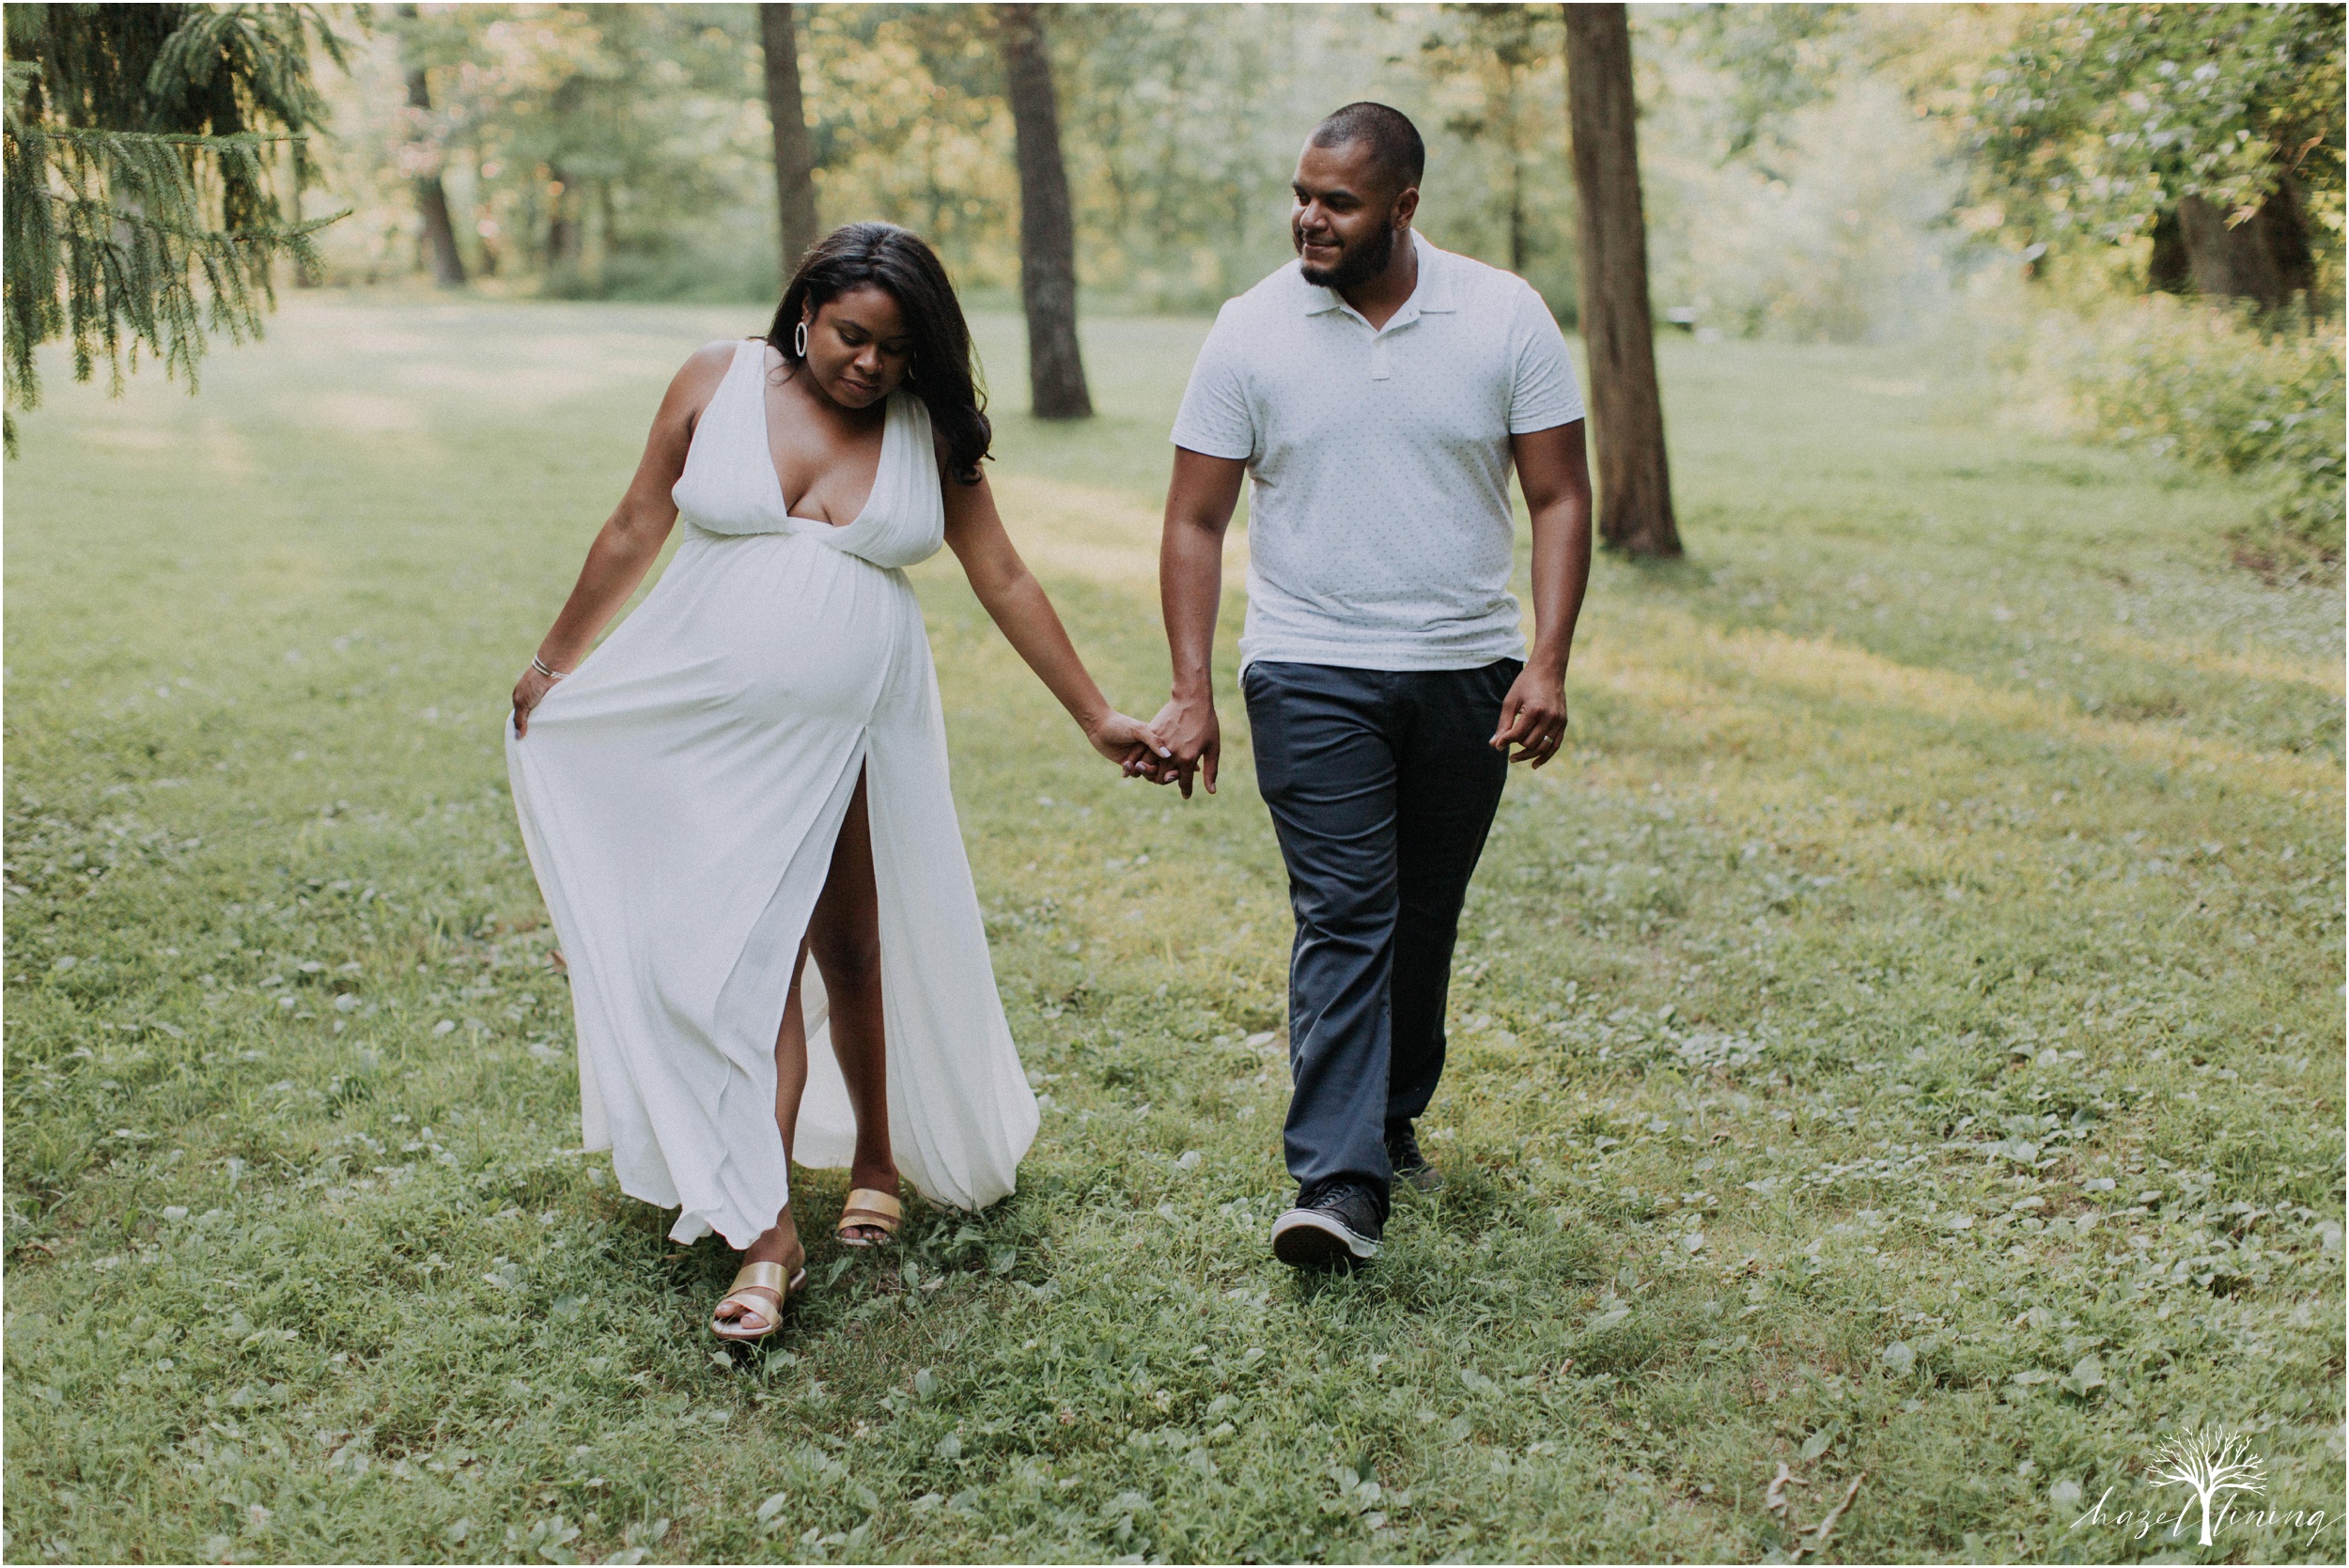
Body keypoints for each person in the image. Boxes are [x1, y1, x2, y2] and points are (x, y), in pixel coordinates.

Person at [506, 223, 1166, 1341]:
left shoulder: (927, 430)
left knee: (850, 944)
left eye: (896, 349)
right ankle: (766, 1232)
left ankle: (876, 1153)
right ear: (804, 308)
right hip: (700, 716)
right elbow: (634, 523)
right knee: (739, 966)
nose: (867, 364)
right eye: (851, 336)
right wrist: (553, 661)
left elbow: (998, 571)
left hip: (855, 724)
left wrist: (1096, 712)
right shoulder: (715, 381)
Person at [1149, 103, 1595, 1269]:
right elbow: (1196, 518)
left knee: (1422, 912)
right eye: (1301, 193)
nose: (1309, 217)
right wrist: (1191, 689)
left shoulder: (1502, 315)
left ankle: (1389, 1118)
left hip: (1467, 670)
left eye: (1337, 201)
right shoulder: (1251, 329)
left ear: (1403, 206)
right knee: (1346, 910)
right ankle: (1339, 1184)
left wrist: (1545, 659)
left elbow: (1557, 496)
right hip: (1307, 665)